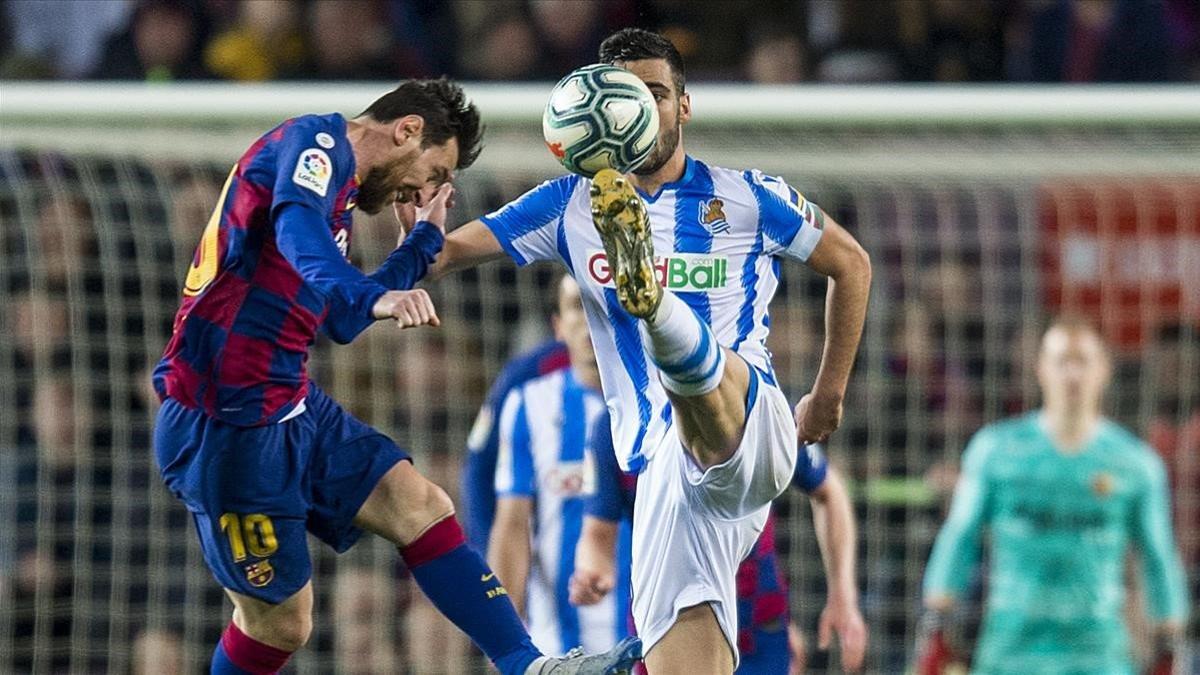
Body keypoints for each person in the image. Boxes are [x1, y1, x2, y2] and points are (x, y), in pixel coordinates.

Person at [151, 78, 639, 675]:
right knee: (281, 623)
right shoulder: (314, 144)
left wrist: (419, 247)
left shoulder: (336, 203)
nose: (427, 189)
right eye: (435, 170)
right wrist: (372, 295)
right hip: (223, 427)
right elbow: (298, 232)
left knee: (422, 505)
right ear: (407, 130)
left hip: (288, 405)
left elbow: (342, 317)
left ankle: (529, 666)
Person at [427, 27, 872, 673]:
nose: (639, 113)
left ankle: (656, 306)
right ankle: (657, 310)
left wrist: (828, 394)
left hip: (753, 427)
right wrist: (407, 233)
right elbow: (444, 255)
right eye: (624, 97)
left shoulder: (750, 195)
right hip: (661, 475)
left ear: (684, 105)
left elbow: (852, 264)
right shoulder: (569, 204)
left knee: (693, 369)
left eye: (656, 95)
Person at [916, 318, 1189, 674]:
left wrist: (1170, 639)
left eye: (1083, 361)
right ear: (1041, 368)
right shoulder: (996, 451)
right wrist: (936, 622)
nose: (1072, 374)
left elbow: (1158, 554)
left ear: (1104, 370)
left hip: (1099, 655)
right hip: (1010, 653)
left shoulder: (1135, 464)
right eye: (1062, 361)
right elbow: (959, 536)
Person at [573, 423, 867, 673]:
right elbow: (597, 534)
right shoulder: (614, 428)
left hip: (758, 632)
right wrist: (592, 571)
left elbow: (829, 490)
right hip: (663, 629)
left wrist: (843, 593)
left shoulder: (759, 408)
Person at [489, 276, 631, 656]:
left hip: (653, 638)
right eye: (576, 307)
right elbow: (512, 523)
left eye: (601, 307)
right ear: (558, 325)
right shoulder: (528, 405)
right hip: (556, 644)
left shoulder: (661, 406)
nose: (589, 323)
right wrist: (501, 634)